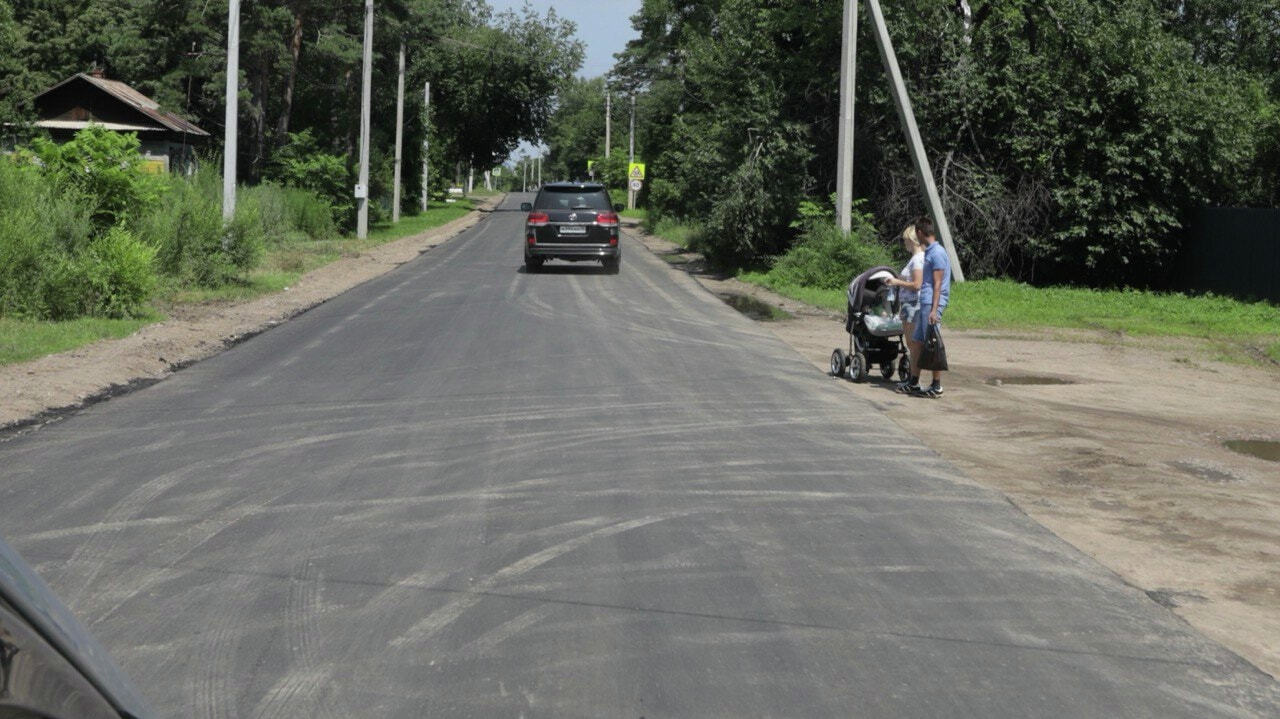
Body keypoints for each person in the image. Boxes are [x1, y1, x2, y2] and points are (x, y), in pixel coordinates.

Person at [911, 216, 951, 398]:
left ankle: (936, 385)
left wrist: (934, 310)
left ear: (920, 233)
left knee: (932, 342)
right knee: (918, 341)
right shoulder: (930, 251)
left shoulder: (937, 253)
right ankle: (913, 382)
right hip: (926, 301)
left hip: (932, 302)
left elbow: (938, 284)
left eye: (916, 234)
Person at [882, 225, 924, 393]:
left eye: (905, 240)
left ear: (911, 240)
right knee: (912, 345)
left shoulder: (917, 259)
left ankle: (913, 381)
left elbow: (917, 284)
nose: (904, 244)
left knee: (913, 345)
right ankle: (912, 379)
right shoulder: (916, 259)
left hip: (913, 305)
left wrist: (897, 282)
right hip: (910, 305)